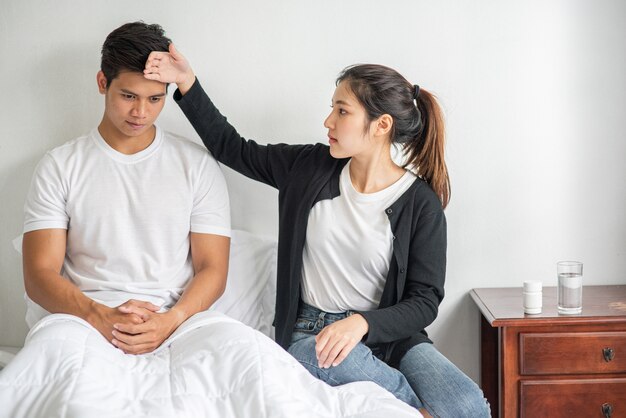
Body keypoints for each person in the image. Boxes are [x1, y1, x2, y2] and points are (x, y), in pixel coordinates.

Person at [143, 45, 491, 417]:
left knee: (468, 405)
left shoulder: (420, 203)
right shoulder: (308, 167)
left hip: (392, 340)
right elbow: (234, 148)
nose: (328, 121)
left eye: (342, 111)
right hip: (310, 334)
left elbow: (424, 300)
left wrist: (362, 324)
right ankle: (416, 411)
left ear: (382, 125)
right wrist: (186, 82)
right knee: (334, 360)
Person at [22, 22, 231, 355]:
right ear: (103, 83)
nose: (141, 112)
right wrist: (100, 316)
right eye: (129, 96)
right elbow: (38, 275)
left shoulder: (197, 165)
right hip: (83, 319)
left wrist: (170, 320)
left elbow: (213, 269)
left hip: (177, 321)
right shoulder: (60, 165)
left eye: (155, 99)